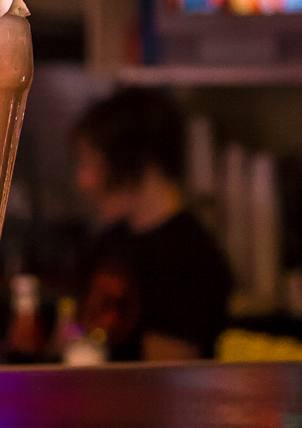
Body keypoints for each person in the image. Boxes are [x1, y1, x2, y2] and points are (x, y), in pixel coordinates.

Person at [67, 88, 233, 362]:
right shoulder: (106, 244)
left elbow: (163, 387)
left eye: (92, 164)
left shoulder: (193, 259)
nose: (83, 181)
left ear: (136, 160)